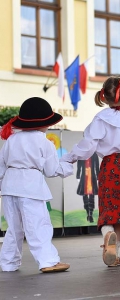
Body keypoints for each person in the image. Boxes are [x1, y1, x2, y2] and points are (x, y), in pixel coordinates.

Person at [61, 77, 120, 267]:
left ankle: (107, 234)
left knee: (110, 207)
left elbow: (87, 146)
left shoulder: (101, 118)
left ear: (104, 96)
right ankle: (114, 253)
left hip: (111, 165)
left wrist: (69, 157)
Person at [0, 97, 72, 273]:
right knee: (38, 224)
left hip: (9, 187)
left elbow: (1, 166)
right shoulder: (44, 142)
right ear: (43, 123)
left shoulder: (11, 140)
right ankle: (47, 261)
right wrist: (68, 166)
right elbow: (51, 170)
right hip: (31, 187)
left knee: (14, 228)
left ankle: (8, 263)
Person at [76, 153, 100, 223]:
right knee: (85, 195)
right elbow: (79, 166)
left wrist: (98, 177)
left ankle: (90, 214)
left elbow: (97, 167)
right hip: (84, 177)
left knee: (91, 196)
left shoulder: (94, 155)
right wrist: (78, 176)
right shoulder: (81, 154)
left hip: (91, 177)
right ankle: (88, 213)